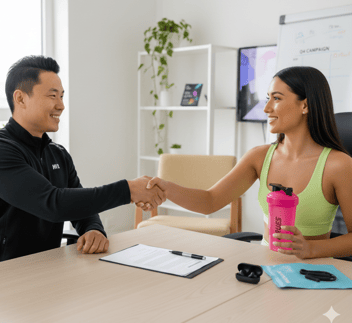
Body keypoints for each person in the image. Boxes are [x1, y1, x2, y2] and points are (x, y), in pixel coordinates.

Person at [144, 66, 352, 259]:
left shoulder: (338, 165)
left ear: (305, 105)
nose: (267, 108)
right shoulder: (259, 157)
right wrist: (166, 188)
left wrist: (311, 249)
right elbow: (210, 201)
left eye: (277, 98)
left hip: (313, 273)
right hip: (265, 265)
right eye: (267, 98)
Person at [0, 55, 163, 267]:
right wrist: (128, 190)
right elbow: (53, 204)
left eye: (62, 96)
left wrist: (93, 228)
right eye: (52, 96)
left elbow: (79, 204)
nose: (61, 106)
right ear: (20, 99)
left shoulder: (57, 154)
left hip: (47, 269)